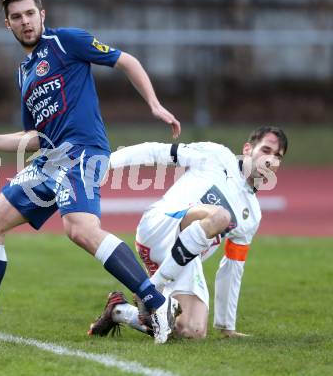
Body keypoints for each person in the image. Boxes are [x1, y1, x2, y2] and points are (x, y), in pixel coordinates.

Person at [0, 0, 182, 344]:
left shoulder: (66, 42)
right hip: (50, 159)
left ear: (42, 15)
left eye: (30, 14)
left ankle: (155, 303)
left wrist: (155, 104)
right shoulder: (24, 73)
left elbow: (125, 60)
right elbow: (33, 136)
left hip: (83, 151)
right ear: (8, 24)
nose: (25, 21)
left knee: (79, 228)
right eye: (17, 17)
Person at [88, 126, 288, 339]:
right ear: (248, 149)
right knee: (221, 216)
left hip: (183, 259)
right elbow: (157, 151)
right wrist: (108, 162)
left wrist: (226, 327)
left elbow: (232, 268)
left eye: (278, 156)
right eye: (266, 150)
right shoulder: (217, 155)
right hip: (161, 225)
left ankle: (121, 311)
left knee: (191, 331)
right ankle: (152, 288)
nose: (271, 160)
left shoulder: (253, 215)